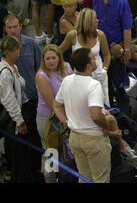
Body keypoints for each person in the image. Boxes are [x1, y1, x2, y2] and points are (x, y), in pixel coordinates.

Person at [53, 48, 112, 183]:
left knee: (84, 177)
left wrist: (66, 121)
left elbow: (56, 105)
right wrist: (106, 127)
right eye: (92, 58)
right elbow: (96, 115)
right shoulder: (93, 85)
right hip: (94, 139)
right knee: (100, 179)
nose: (95, 59)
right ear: (88, 66)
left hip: (74, 137)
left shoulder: (67, 80)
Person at [3, 14, 43, 176]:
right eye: (9, 27)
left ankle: (34, 167)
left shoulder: (31, 44)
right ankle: (11, 169)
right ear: (5, 29)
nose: (13, 30)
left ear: (21, 26)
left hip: (31, 99)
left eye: (15, 27)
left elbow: (39, 68)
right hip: (11, 106)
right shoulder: (3, 53)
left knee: (33, 134)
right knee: (13, 140)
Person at [91, 0, 132, 115]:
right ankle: (109, 112)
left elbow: (127, 29)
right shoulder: (96, 1)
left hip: (116, 51)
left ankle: (125, 114)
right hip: (100, 51)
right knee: (104, 84)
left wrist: (127, 50)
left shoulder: (121, 2)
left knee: (120, 83)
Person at [35, 44, 72, 183]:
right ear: (43, 60)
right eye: (47, 58)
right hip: (47, 118)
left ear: (59, 58)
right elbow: (52, 104)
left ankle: (63, 178)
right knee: (50, 152)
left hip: (65, 114)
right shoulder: (41, 76)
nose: (51, 61)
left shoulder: (67, 68)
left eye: (53, 58)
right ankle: (49, 180)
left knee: (64, 151)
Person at [59, 8, 111, 105]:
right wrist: (65, 68)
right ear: (87, 21)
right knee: (83, 104)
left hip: (99, 75)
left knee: (102, 104)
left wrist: (104, 70)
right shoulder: (72, 36)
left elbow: (107, 55)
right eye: (95, 19)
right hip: (80, 77)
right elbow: (58, 52)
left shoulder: (100, 35)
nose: (97, 21)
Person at [0, 36, 32, 183]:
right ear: (10, 52)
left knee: (22, 154)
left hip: (21, 110)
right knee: (17, 153)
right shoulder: (5, 72)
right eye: (16, 49)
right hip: (13, 119)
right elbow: (8, 99)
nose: (18, 52)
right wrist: (19, 121)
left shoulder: (14, 67)